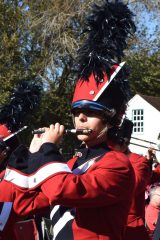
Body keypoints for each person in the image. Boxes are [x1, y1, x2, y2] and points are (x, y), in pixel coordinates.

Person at [4, 1, 136, 239]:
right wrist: (32, 156)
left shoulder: (118, 165)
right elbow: (26, 205)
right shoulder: (73, 164)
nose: (81, 118)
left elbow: (63, 190)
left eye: (91, 112)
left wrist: (48, 148)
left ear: (112, 117)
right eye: (76, 112)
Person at [107, 118, 151, 240]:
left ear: (125, 143)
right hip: (105, 227)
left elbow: (134, 186)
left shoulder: (138, 161)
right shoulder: (100, 157)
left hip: (131, 229)